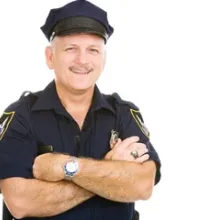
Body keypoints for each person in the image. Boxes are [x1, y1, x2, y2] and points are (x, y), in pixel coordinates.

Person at [0, 0, 161, 219]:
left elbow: (143, 185)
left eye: (93, 50)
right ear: (50, 57)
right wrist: (110, 171)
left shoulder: (123, 114)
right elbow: (20, 203)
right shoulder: (21, 117)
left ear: (103, 59)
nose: (82, 60)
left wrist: (66, 167)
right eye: (71, 49)